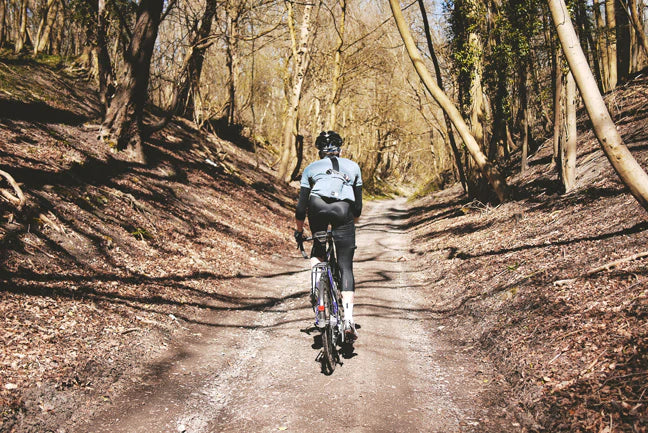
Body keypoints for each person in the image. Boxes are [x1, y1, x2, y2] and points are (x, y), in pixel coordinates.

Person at [294, 130, 363, 340]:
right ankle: (349, 320)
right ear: (340, 149)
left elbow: (300, 208)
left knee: (318, 250)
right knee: (345, 265)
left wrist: (299, 231)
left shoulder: (310, 168)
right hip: (343, 211)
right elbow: (358, 208)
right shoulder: (353, 167)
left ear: (319, 152)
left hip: (317, 207)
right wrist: (349, 225)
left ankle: (318, 291)